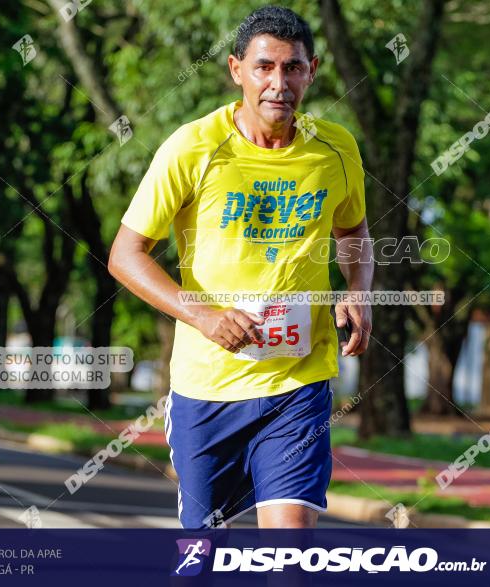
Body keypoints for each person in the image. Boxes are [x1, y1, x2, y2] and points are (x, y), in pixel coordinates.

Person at [108, 5, 372, 529]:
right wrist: (205, 316)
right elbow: (125, 255)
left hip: (298, 380)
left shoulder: (335, 148)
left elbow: (353, 231)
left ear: (312, 71)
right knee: (203, 553)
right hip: (209, 387)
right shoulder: (193, 148)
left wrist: (357, 289)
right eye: (264, 67)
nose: (279, 83)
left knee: (290, 549)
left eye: (293, 67)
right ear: (236, 70)